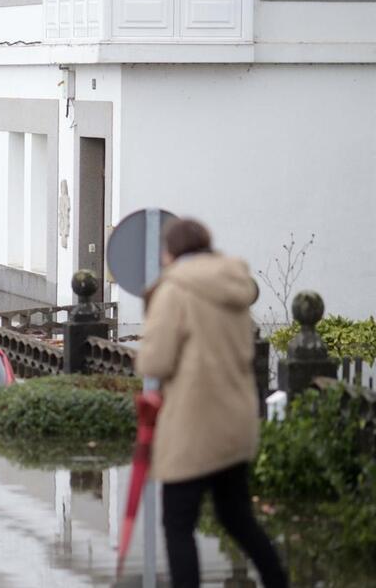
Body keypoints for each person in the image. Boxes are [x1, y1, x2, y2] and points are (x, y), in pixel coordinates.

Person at [137, 219, 288, 588]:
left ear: (171, 252)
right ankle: (278, 581)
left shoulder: (175, 290)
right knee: (237, 517)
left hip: (192, 426)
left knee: (177, 525)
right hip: (235, 422)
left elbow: (155, 361)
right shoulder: (234, 285)